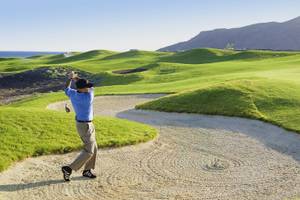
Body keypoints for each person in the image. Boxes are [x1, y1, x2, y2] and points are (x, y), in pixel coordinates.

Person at [61, 71, 97, 182]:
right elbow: (91, 88)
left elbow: (66, 88)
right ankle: (69, 169)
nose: (88, 88)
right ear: (81, 89)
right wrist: (76, 78)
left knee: (94, 148)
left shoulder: (73, 93)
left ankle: (87, 170)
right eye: (86, 87)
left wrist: (70, 79)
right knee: (89, 151)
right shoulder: (88, 96)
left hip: (86, 124)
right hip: (85, 126)